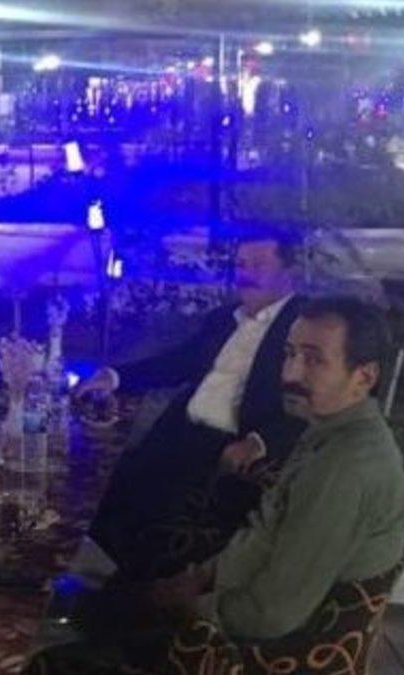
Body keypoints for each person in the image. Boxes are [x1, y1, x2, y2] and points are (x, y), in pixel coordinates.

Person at [35, 297, 404, 672]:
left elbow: (270, 613)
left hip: (246, 655)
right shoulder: (329, 433)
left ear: (364, 377)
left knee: (54, 657)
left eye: (314, 360)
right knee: (100, 602)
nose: (291, 373)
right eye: (289, 354)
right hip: (227, 608)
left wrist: (186, 608)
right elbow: (262, 541)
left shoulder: (345, 469)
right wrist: (196, 578)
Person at [79, 228, 307, 577]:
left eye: (258, 265)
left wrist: (260, 442)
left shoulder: (301, 329)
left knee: (153, 513)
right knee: (101, 485)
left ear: (288, 272)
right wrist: (115, 377)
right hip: (180, 432)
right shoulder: (224, 320)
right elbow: (177, 362)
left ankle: (137, 588)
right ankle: (108, 583)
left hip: (226, 448)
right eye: (241, 264)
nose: (245, 273)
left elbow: (312, 401)